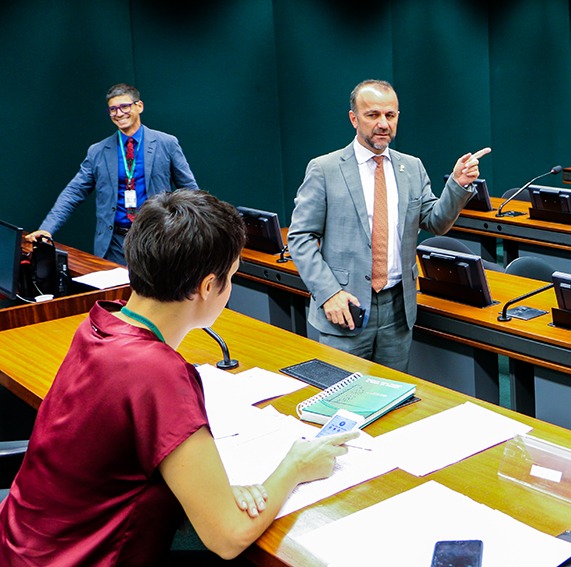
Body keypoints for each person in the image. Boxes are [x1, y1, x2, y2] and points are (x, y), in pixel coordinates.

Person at [0, 190, 358, 565]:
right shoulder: (158, 373)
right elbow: (228, 535)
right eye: (231, 277)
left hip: (21, 546)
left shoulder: (100, 323)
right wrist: (296, 466)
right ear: (207, 287)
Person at [288, 79, 490, 372]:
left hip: (398, 309)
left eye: (390, 115)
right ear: (353, 119)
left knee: (393, 400)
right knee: (341, 399)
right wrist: (328, 293)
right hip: (346, 307)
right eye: (373, 115)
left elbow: (435, 222)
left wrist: (457, 185)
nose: (383, 123)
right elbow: (301, 238)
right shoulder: (324, 169)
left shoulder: (412, 167)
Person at [25, 83, 198, 265]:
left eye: (124, 106)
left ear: (139, 106)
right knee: (116, 293)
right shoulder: (97, 151)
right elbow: (73, 193)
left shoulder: (166, 143)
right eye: (113, 109)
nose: (119, 113)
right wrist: (47, 229)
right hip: (115, 244)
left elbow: (190, 191)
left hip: (157, 238)